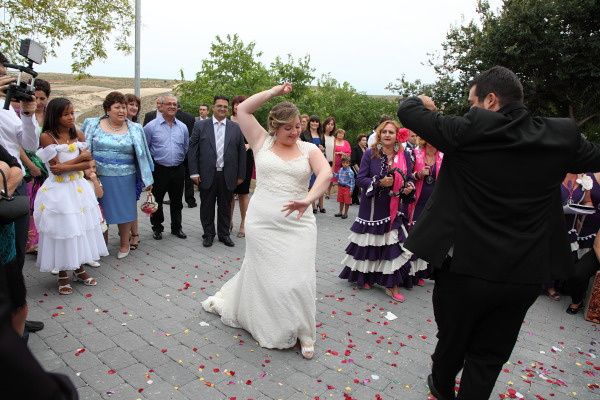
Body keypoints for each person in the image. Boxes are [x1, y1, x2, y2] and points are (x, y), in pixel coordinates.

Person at [396, 65, 600, 400]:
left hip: (465, 270)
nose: (469, 110)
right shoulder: (560, 136)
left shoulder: (469, 129)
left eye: (472, 102)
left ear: (491, 100)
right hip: (523, 275)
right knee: (490, 356)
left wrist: (424, 101)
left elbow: (408, 110)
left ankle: (441, 386)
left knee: (452, 340)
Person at [201, 83, 332, 359]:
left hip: (299, 222)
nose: (295, 132)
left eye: (297, 126)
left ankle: (304, 332)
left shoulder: (309, 149)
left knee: (298, 278)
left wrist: (308, 199)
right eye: (288, 128)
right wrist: (275, 91)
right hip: (263, 222)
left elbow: (326, 174)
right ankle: (270, 323)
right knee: (269, 277)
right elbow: (244, 109)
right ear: (275, 127)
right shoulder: (261, 140)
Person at [34, 97, 108, 295]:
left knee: (80, 229)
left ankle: (79, 267)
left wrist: (81, 164)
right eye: (65, 114)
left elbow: (87, 163)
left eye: (72, 113)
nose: (70, 117)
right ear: (55, 116)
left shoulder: (79, 134)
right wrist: (81, 161)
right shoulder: (48, 137)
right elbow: (56, 170)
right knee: (64, 230)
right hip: (59, 191)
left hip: (78, 189)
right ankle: (62, 273)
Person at [338, 121, 417, 302]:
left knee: (391, 245)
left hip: (395, 207)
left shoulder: (404, 154)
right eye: (384, 132)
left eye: (391, 132)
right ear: (379, 135)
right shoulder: (370, 153)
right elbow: (360, 179)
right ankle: (366, 277)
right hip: (372, 207)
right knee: (370, 243)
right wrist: (379, 182)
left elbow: (410, 177)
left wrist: (409, 186)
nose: (387, 135)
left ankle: (391, 285)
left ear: (398, 136)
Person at [0, 51, 45, 335]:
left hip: (14, 183)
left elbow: (28, 143)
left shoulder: (7, 108)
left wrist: (27, 113)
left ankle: (17, 310)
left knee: (15, 254)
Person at [82, 92, 154, 259]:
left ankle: (124, 243)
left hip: (126, 177)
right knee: (101, 212)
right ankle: (101, 245)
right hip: (99, 177)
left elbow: (144, 154)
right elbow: (84, 149)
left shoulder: (135, 128)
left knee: (125, 212)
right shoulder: (92, 124)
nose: (122, 110)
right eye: (117, 107)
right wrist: (87, 171)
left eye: (123, 107)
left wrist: (147, 178)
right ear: (108, 109)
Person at [188, 96, 246, 248]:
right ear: (213, 107)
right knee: (206, 206)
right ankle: (208, 234)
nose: (222, 109)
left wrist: (241, 175)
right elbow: (192, 150)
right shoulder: (201, 126)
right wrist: (194, 173)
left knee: (225, 206)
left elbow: (241, 153)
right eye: (219, 106)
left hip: (228, 175)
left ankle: (224, 234)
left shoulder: (235, 128)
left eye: (225, 107)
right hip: (207, 174)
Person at [144, 95, 189, 240]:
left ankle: (177, 228)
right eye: (169, 104)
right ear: (161, 106)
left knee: (177, 202)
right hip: (159, 169)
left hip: (178, 169)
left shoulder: (183, 127)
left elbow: (186, 147)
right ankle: (157, 228)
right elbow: (146, 149)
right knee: (157, 200)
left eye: (175, 104)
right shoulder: (151, 127)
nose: (172, 106)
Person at [230, 96, 253, 238]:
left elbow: (257, 137)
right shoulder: (227, 121)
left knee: (243, 193)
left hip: (245, 159)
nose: (237, 106)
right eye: (235, 104)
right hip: (230, 160)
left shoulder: (250, 119)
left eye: (241, 103)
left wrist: (249, 145)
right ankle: (228, 221)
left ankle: (244, 224)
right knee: (229, 193)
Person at [301, 115, 326, 213]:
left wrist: (323, 149)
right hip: (309, 161)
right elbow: (302, 147)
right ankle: (313, 205)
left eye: (317, 122)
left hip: (320, 160)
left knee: (320, 183)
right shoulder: (304, 134)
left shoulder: (321, 134)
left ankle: (321, 205)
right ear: (309, 122)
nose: (314, 123)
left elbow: (324, 147)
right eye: (312, 121)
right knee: (311, 184)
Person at [350, 134, 367, 205]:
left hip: (363, 169)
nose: (365, 142)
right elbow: (353, 161)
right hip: (355, 168)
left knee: (358, 184)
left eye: (366, 140)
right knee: (354, 183)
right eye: (363, 140)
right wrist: (359, 170)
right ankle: (351, 198)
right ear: (359, 141)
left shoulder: (366, 149)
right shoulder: (355, 148)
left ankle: (355, 198)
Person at [322, 116, 336, 199]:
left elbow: (334, 151)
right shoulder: (321, 135)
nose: (330, 126)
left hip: (331, 161)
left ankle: (328, 192)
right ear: (325, 125)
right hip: (323, 161)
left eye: (332, 124)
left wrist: (334, 163)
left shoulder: (333, 138)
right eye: (328, 124)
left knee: (330, 177)